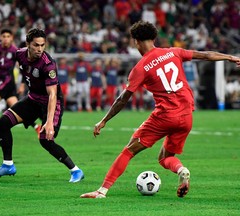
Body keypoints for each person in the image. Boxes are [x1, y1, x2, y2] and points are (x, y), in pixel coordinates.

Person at [80, 20, 240, 199]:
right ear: (154, 37)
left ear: (136, 41)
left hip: (165, 116)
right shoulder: (174, 52)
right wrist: (229, 57)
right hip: (186, 116)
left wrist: (104, 120)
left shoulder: (140, 68)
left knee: (129, 150)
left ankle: (102, 191)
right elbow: (206, 55)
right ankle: (182, 170)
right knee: (165, 157)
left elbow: (123, 98)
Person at [0, 28, 84, 183]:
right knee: (3, 122)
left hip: (52, 103)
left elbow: (52, 94)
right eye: (36, 45)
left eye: (42, 45)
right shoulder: (19, 54)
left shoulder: (48, 64)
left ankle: (76, 170)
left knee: (45, 139)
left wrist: (49, 122)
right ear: (28, 44)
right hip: (33, 99)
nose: (40, 49)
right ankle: (8, 165)